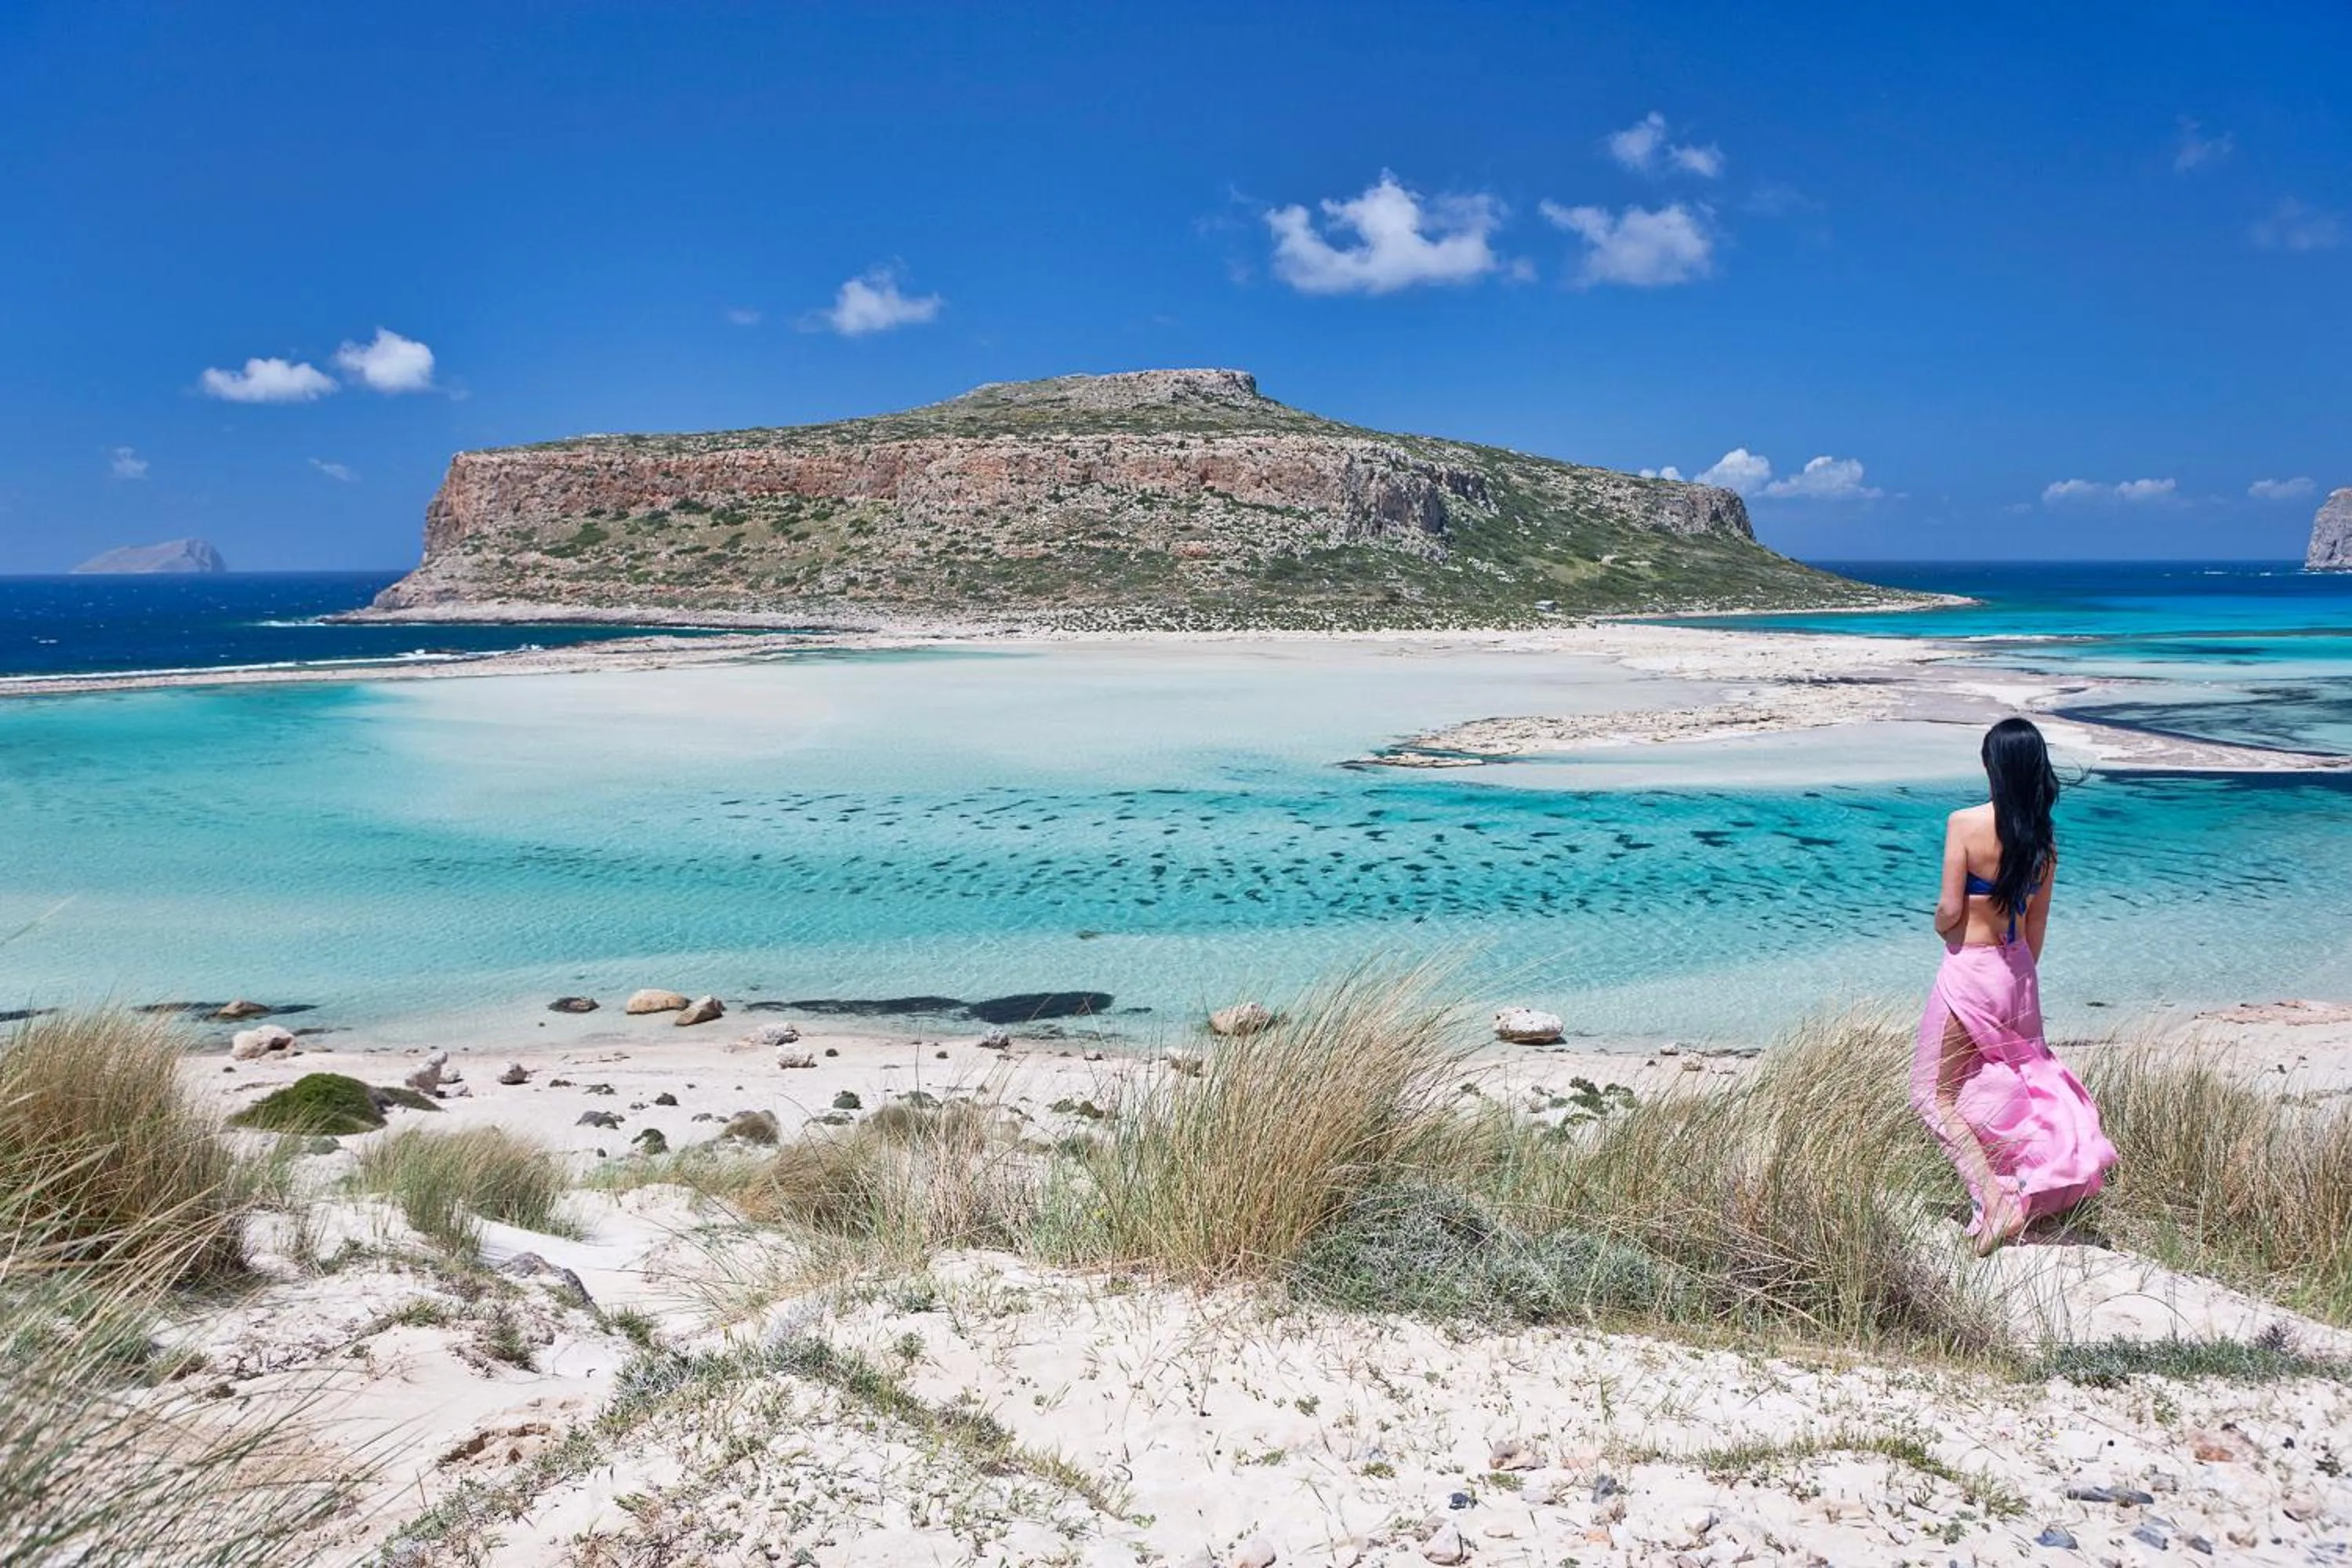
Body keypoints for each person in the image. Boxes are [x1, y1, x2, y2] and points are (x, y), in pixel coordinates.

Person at [1911, 717, 2117, 1256]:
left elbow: (1950, 911)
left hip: (1971, 969)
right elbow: (2036, 925)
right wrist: (2018, 974)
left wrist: (1940, 921)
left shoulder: (1964, 824)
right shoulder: (2043, 844)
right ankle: (2028, 1183)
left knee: (1932, 1096)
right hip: (2019, 972)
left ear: (1992, 767)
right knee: (2024, 1081)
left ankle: (1993, 1199)